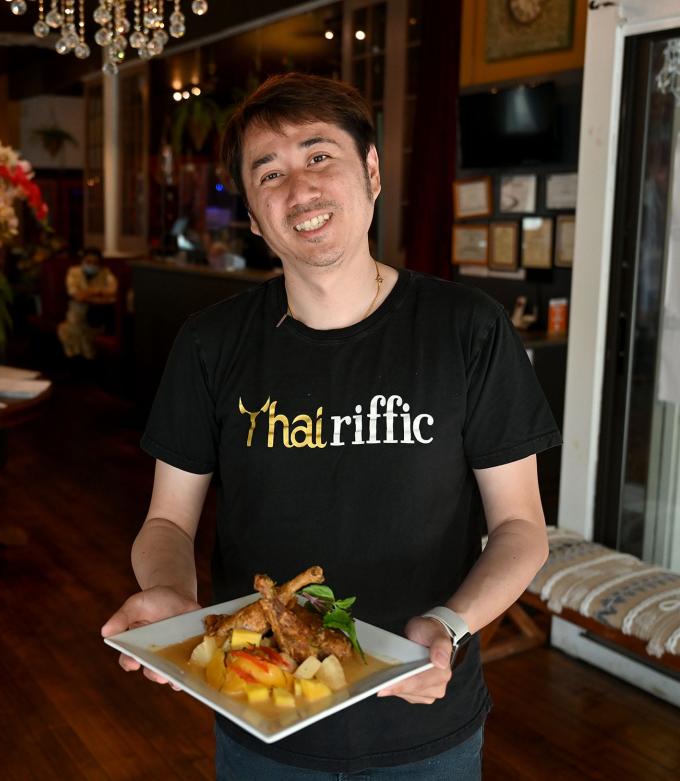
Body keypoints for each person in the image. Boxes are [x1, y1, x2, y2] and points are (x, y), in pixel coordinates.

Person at [101, 73, 561, 779]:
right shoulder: (210, 343)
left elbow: (521, 529)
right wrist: (174, 600)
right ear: (254, 216)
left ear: (371, 172)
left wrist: (449, 624)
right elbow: (166, 523)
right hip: (261, 714)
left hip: (425, 720)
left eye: (320, 156)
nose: (300, 189)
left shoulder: (467, 329)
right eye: (270, 173)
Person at [56, 247, 118, 360]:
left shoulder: (105, 272)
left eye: (95, 262)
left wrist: (91, 292)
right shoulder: (74, 272)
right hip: (78, 311)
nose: (92, 265)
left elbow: (114, 290)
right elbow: (75, 294)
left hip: (100, 311)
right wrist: (100, 292)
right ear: (83, 261)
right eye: (88, 261)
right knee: (71, 330)